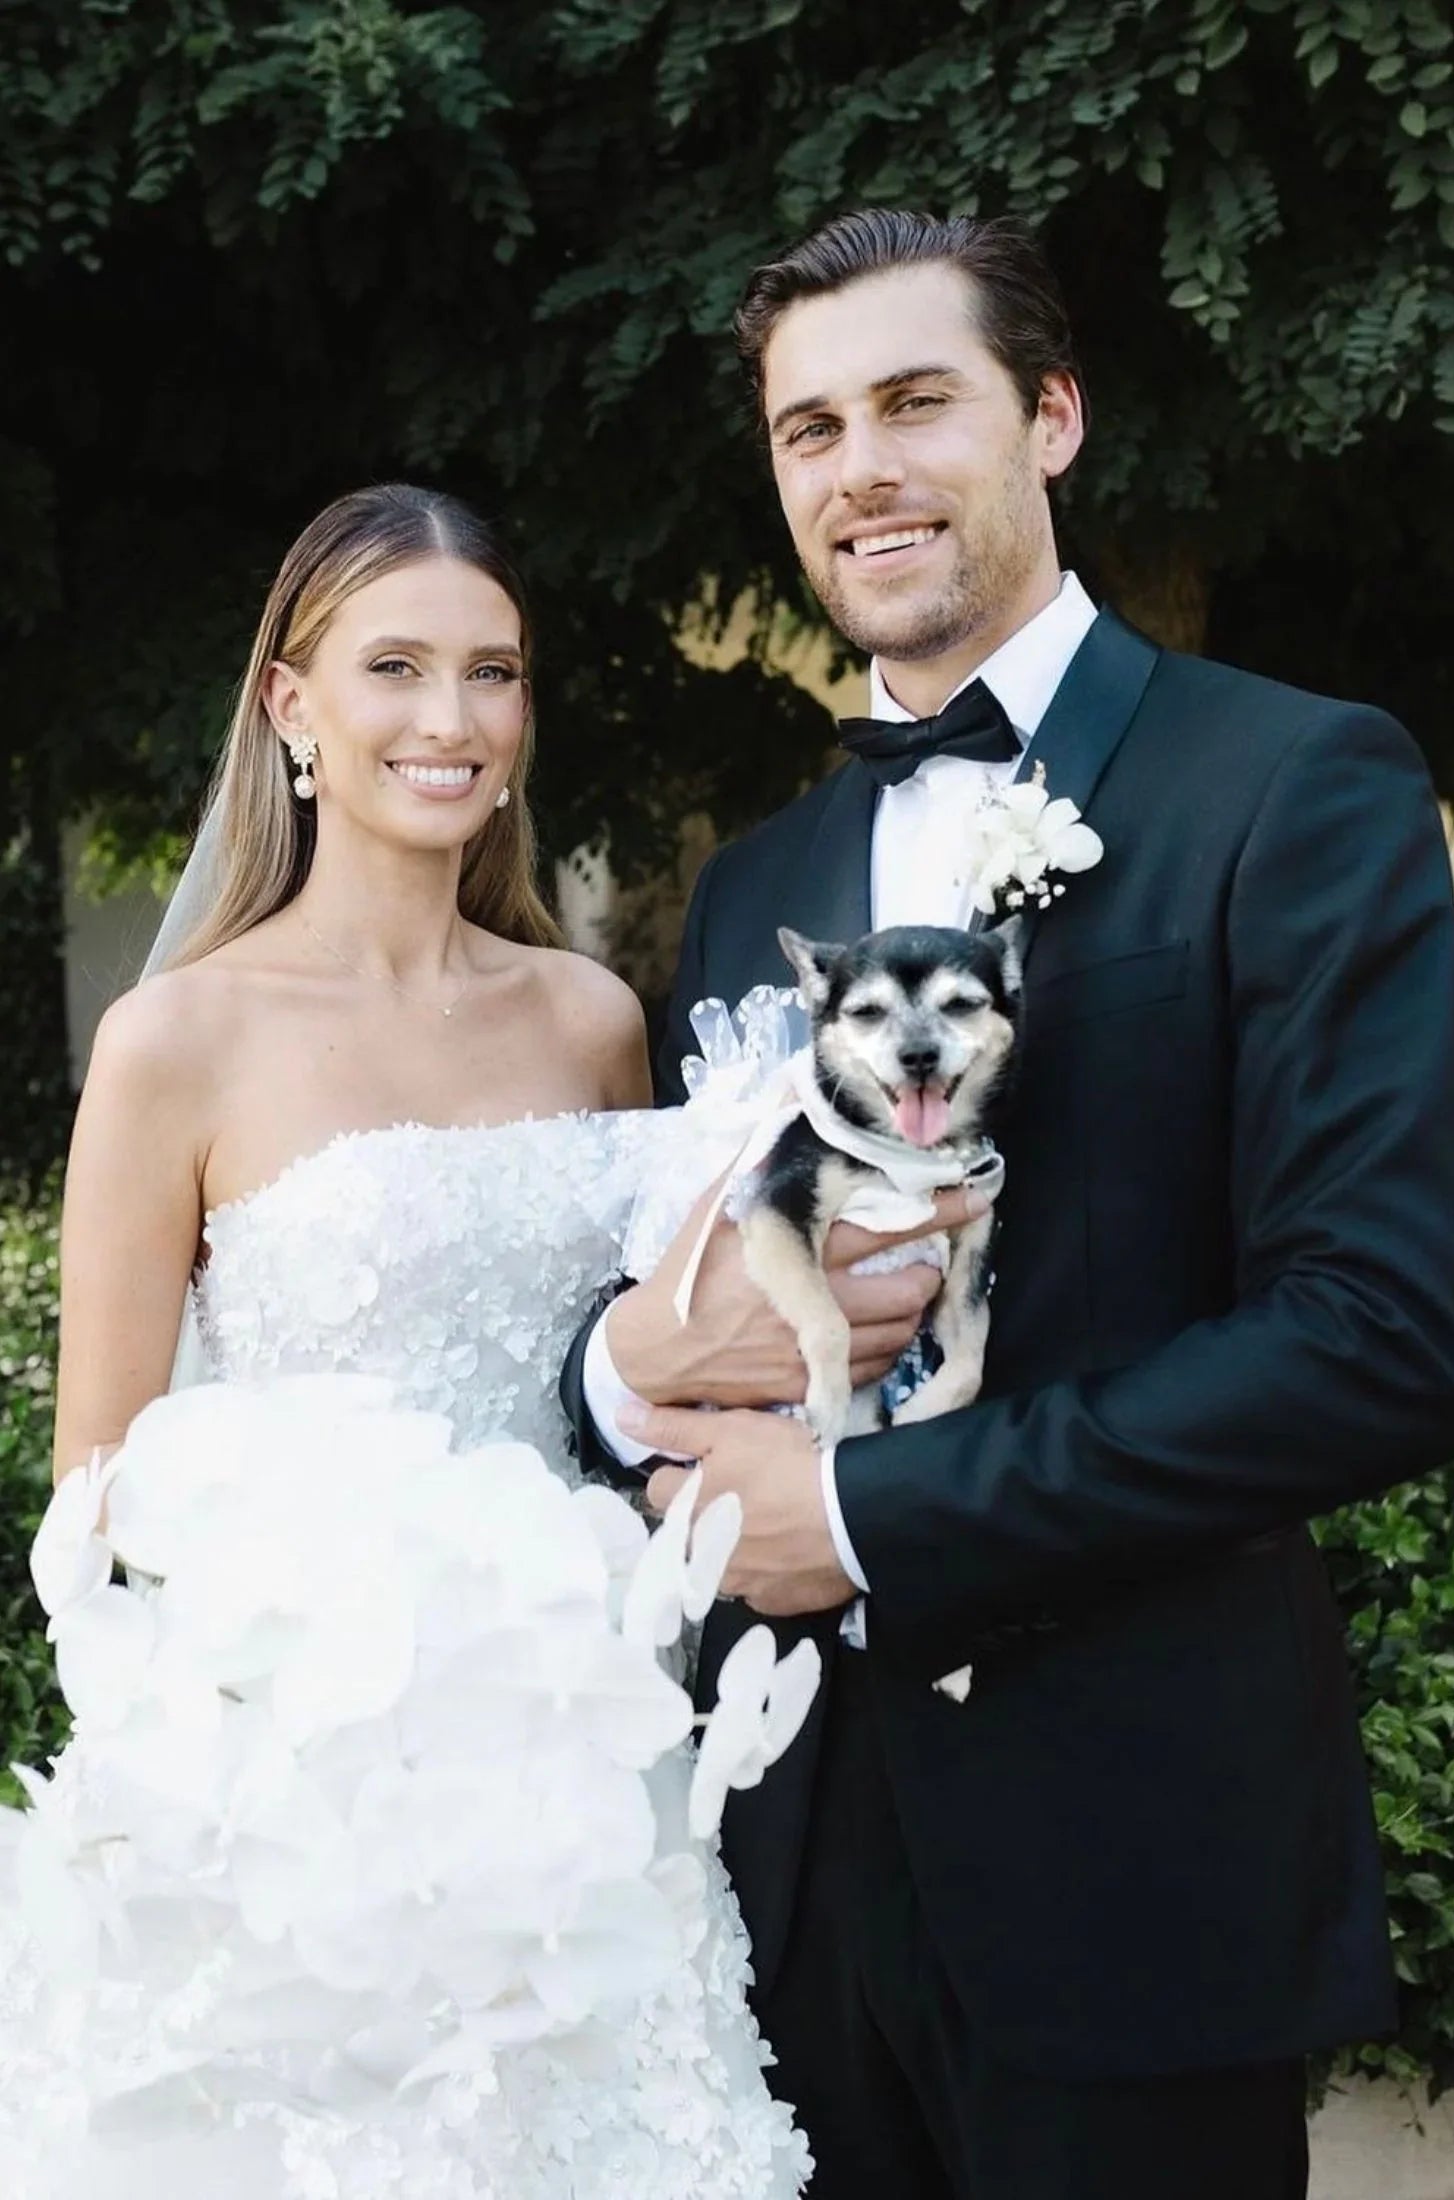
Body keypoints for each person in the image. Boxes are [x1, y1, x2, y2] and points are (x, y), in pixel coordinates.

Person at [565, 210, 1454, 2200]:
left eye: (917, 403)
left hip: (1135, 1862)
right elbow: (674, 1308)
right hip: (783, 1875)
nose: (860, 470)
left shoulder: (1294, 783)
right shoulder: (750, 892)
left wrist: (879, 1518)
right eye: (810, 429)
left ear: (1051, 417)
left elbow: (1385, 1339)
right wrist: (617, 1371)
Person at [7, 483, 815, 2198]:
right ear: (292, 705)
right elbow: (94, 1508)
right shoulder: (178, 1043)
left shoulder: (592, 1022)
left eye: (492, 673)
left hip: (596, 1775)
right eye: (395, 667)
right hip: (301, 1816)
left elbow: (645, 1373)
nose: (450, 722)